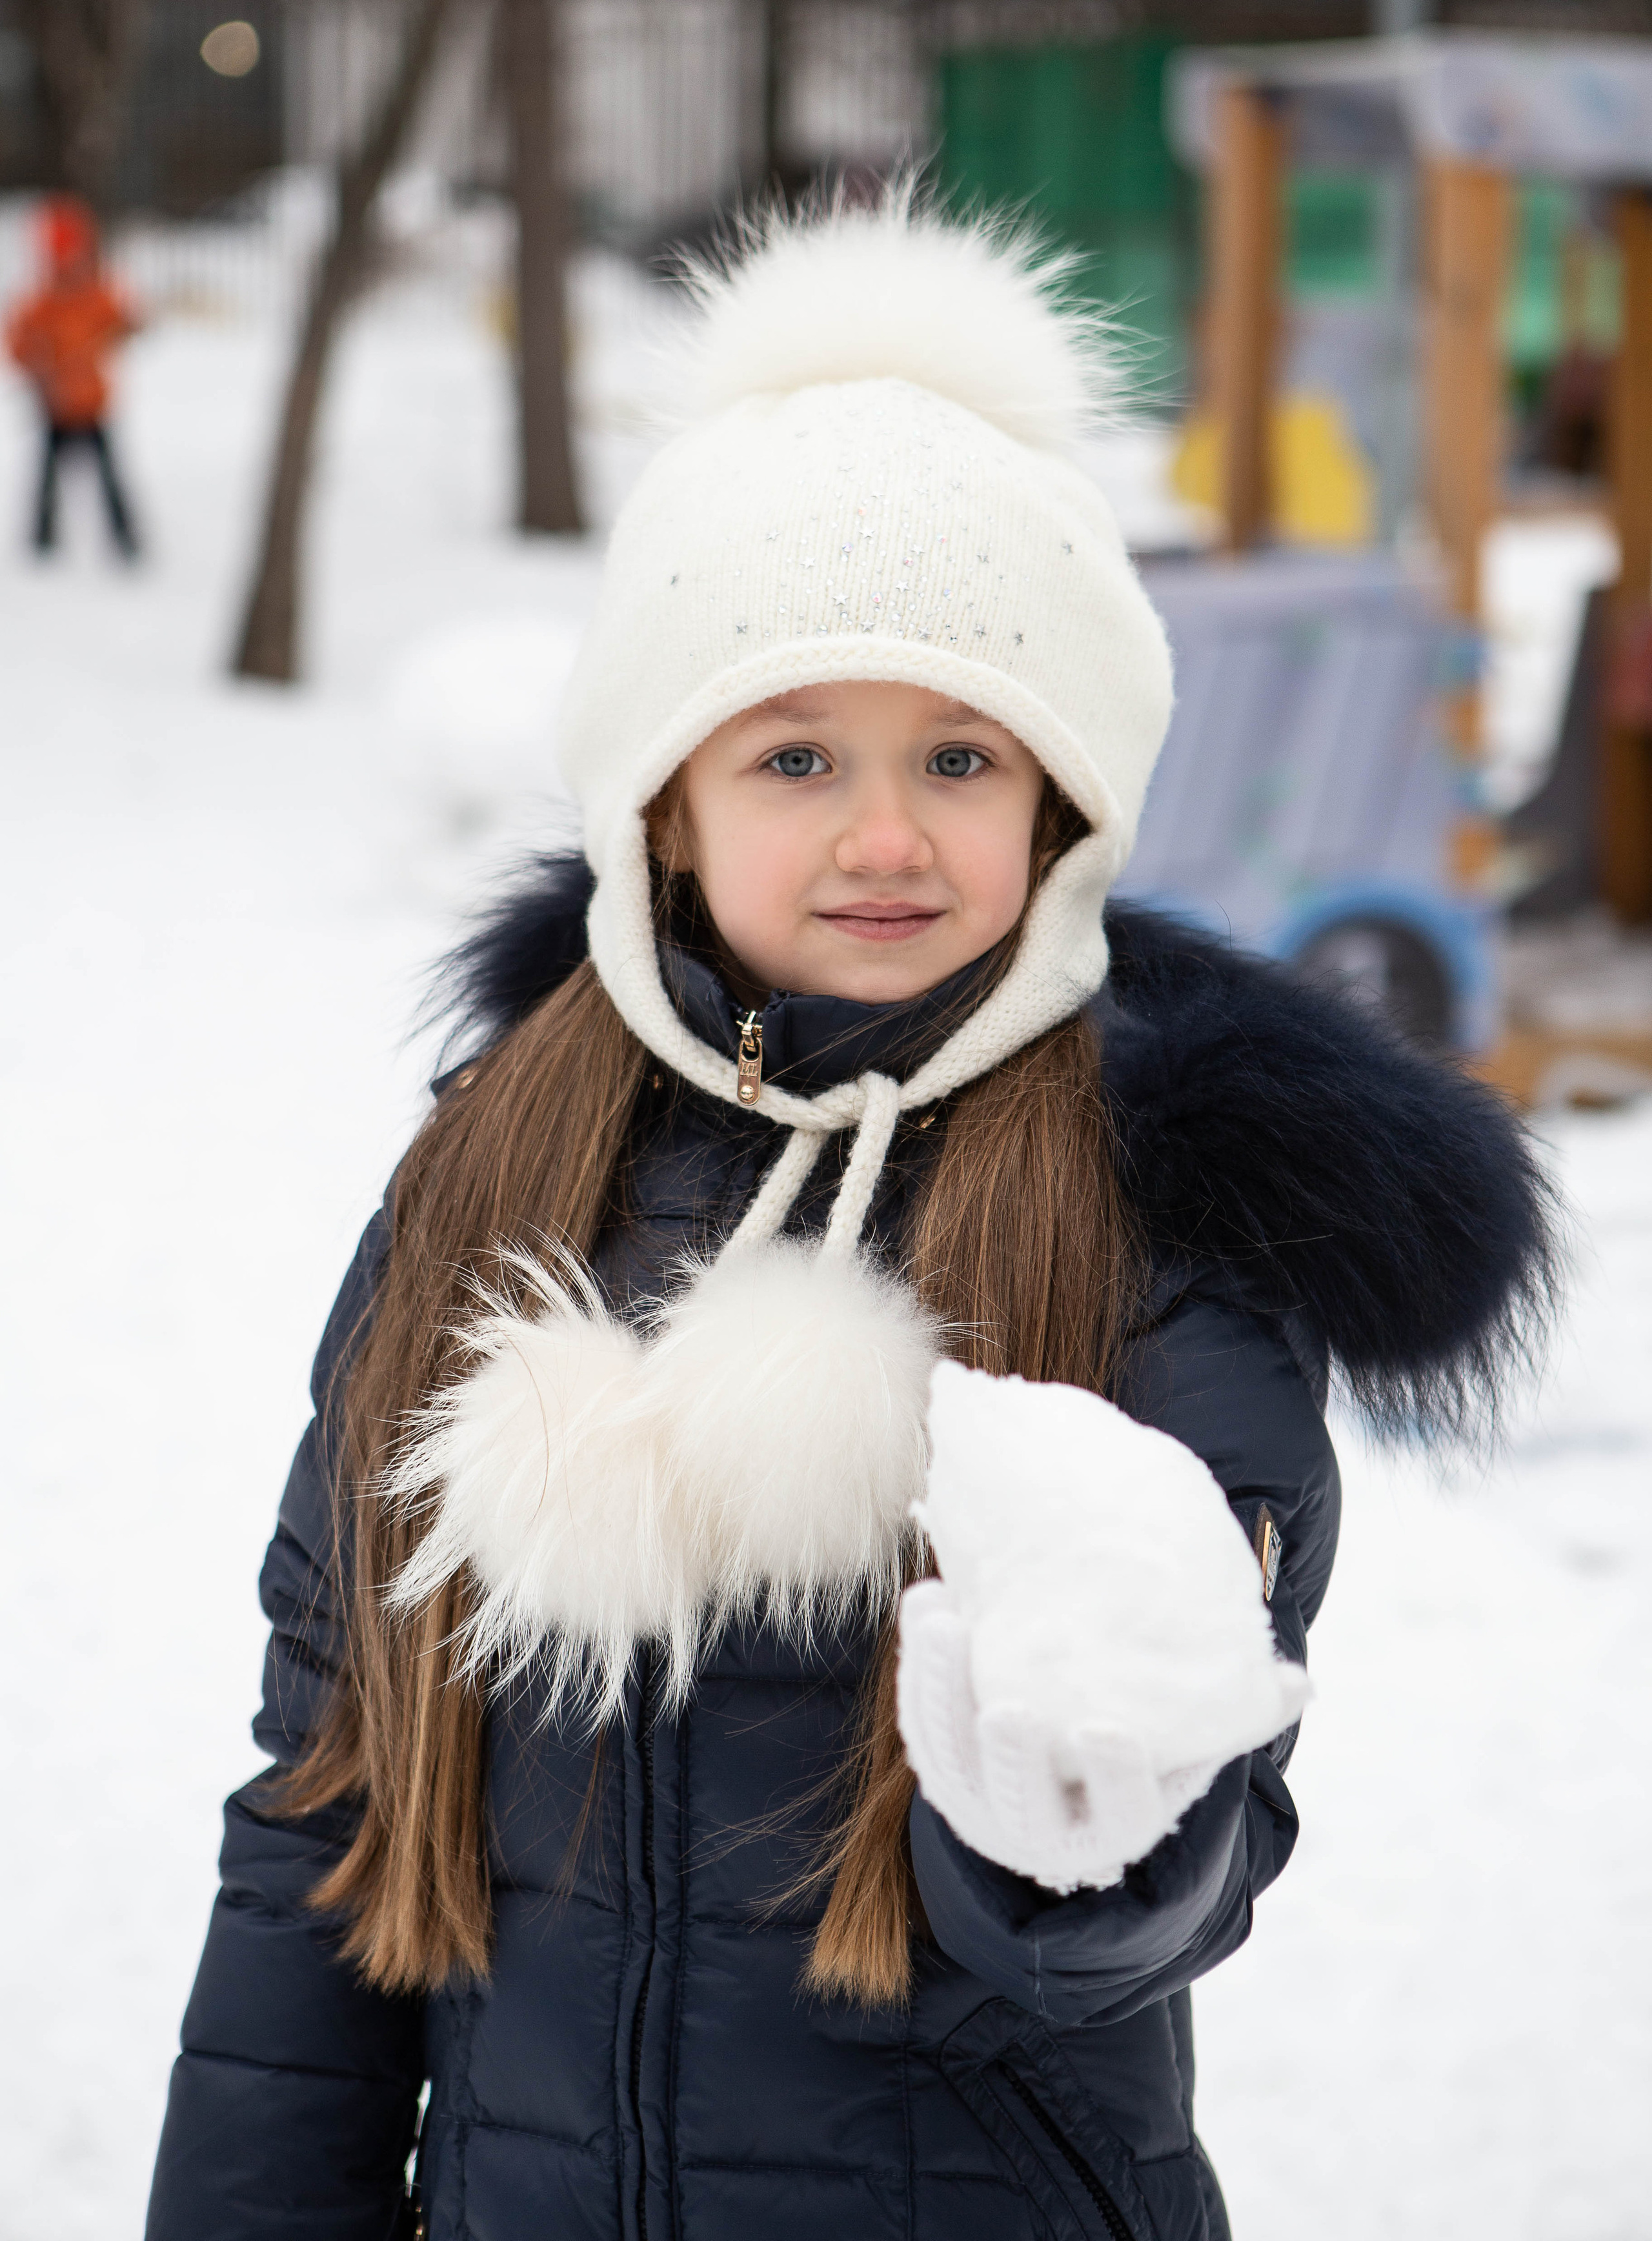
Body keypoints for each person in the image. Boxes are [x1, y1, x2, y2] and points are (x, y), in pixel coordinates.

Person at [146, 195, 1556, 2241]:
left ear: (1057, 804)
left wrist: (1083, 1809)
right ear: (665, 803)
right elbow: (322, 1794)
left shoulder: (1163, 1220)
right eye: (797, 753)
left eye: (960, 755)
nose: (884, 834)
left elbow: (1172, 1883)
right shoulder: (497, 1173)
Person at [5, 194, 140, 559]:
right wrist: (36, 362)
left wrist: (128, 327)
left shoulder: (95, 293)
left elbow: (121, 322)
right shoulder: (41, 301)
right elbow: (17, 345)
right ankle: (43, 539)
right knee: (47, 479)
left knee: (109, 477)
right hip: (55, 404)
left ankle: (125, 539)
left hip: (92, 402)